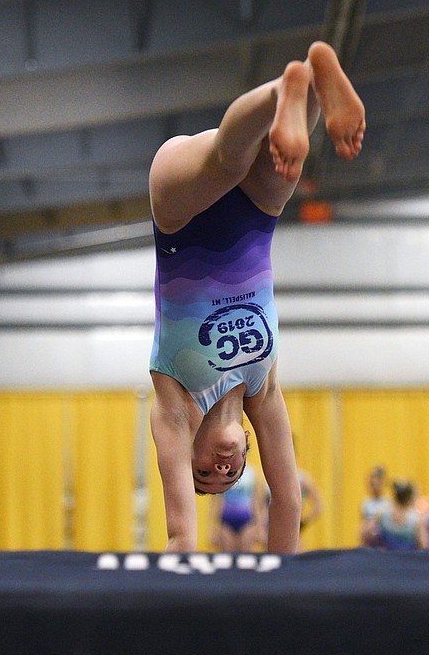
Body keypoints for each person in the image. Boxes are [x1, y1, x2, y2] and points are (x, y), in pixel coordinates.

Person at [148, 40, 365, 553]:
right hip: (254, 217)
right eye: (232, 474)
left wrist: (183, 570)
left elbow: (181, 534)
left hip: (180, 211)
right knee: (281, 168)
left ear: (189, 455)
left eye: (205, 474)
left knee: (226, 161)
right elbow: (287, 502)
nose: (220, 471)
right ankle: (306, 82)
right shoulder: (262, 387)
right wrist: (280, 599)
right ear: (248, 446)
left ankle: (280, 93)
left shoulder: (173, 406)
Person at [210, 464, 265, 553]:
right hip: (226, 519)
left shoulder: (252, 474)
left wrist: (260, 528)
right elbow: (217, 502)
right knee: (227, 557)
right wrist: (213, 529)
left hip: (247, 520)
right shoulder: (223, 474)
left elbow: (257, 503)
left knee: (245, 556)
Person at [374, 480, 429, 551]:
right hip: (408, 559)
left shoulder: (383, 514)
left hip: (386, 558)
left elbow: (366, 535)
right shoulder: (417, 519)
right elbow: (425, 547)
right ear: (410, 498)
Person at [360, 466, 391, 546]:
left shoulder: (389, 502)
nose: (374, 487)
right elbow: (363, 525)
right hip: (370, 541)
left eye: (377, 484)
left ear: (382, 483)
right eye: (372, 484)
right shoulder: (366, 503)